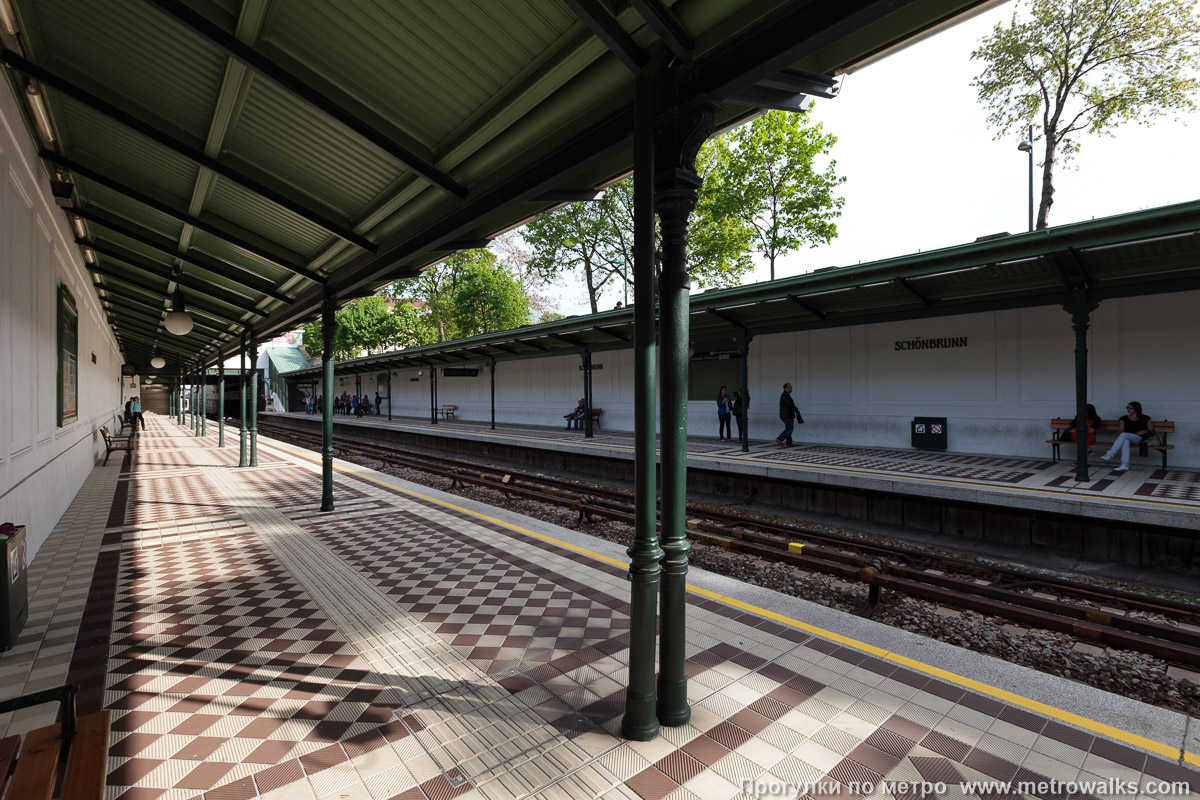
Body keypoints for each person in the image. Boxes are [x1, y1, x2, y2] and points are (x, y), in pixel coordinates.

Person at [1101, 401, 1154, 473]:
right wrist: (1127, 435)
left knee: (1124, 436)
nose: (1128, 409)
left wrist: (1143, 431)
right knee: (1125, 439)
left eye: (1130, 408)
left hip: (1139, 439)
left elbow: (1150, 430)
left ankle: (1110, 454)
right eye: (1127, 407)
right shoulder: (1123, 418)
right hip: (1127, 437)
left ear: (1136, 409)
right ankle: (1124, 465)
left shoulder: (1146, 418)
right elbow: (1121, 431)